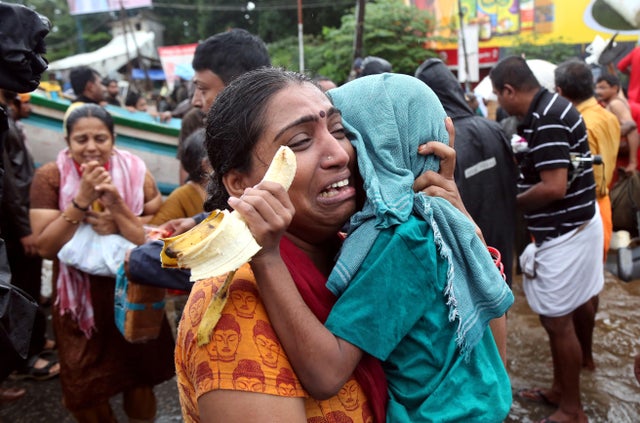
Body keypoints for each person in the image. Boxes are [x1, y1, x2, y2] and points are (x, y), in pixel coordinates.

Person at [173, 67, 491, 422]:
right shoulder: (233, 310)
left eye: (340, 131)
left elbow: (488, 352)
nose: (340, 154)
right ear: (239, 183)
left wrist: (458, 231)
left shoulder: (362, 249)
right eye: (300, 142)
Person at [28, 103, 174, 421]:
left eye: (100, 138)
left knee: (140, 376)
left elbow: (153, 222)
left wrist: (117, 217)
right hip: (80, 306)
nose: (91, 147)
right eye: (81, 140)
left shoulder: (136, 170)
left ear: (113, 139)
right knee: (84, 389)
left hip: (133, 292)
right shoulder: (49, 177)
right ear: (67, 142)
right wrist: (80, 200)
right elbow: (45, 246)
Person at [490, 56, 603, 423]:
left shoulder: (549, 116)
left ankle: (572, 408)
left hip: (565, 231)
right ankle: (563, 387)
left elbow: (553, 187)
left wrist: (508, 202)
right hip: (579, 223)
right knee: (571, 309)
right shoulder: (548, 107)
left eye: (498, 95)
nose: (499, 103)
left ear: (508, 90)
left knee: (557, 321)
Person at [127, 28, 271, 284]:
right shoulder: (245, 139)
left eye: (202, 89)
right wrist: (197, 222)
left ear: (237, 88)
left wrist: (140, 259)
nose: (195, 101)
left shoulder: (267, 152)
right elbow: (241, 215)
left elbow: (239, 252)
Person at [415, 58, 518, 287]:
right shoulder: (493, 128)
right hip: (502, 234)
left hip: (468, 242)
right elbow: (513, 180)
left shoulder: (441, 144)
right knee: (502, 293)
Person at [0, 90, 59, 381]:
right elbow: (7, 182)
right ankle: (24, 359)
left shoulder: (9, 118)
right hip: (16, 223)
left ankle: (34, 342)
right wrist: (24, 229)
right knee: (21, 289)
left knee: (30, 286)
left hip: (21, 215)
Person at [555, 59, 620, 261]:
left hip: (586, 211)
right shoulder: (607, 116)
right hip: (603, 202)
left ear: (559, 90)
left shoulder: (579, 124)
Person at [595, 73, 640, 176]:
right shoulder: (611, 103)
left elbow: (632, 128)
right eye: (597, 88)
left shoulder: (615, 104)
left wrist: (633, 162)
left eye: (602, 88)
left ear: (614, 88)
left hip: (622, 159)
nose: (598, 91)